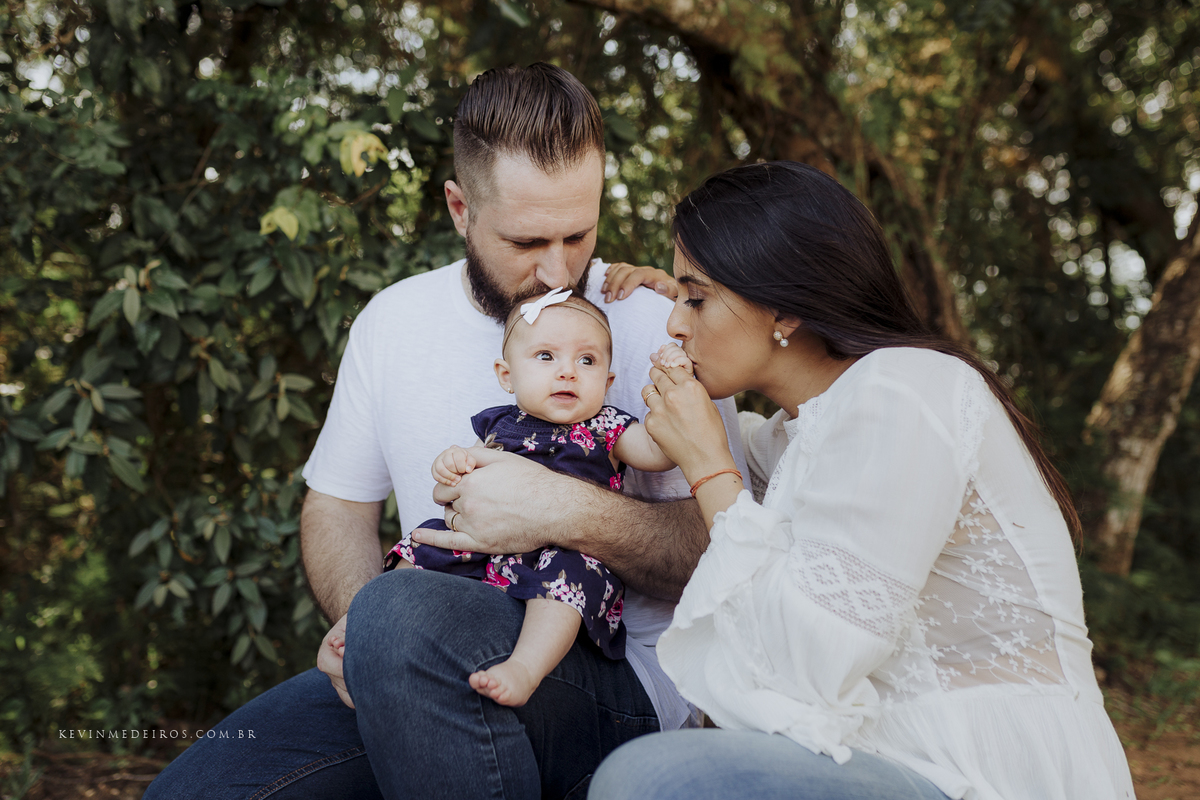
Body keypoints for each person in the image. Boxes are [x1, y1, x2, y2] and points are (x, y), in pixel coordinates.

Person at [143, 63, 747, 799]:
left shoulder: (658, 323)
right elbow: (337, 506)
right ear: (460, 208)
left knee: (404, 617)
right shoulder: (392, 322)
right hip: (415, 643)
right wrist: (363, 628)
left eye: (578, 234)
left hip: (612, 674)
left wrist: (561, 510)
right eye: (526, 241)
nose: (558, 271)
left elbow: (725, 552)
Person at [586, 161, 1136, 800]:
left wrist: (709, 467)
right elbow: (747, 457)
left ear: (784, 309)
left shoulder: (904, 390)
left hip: (979, 772)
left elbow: (799, 672)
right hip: (883, 760)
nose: (673, 325)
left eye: (697, 299)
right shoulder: (799, 434)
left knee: (653, 779)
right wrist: (654, 303)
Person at [371, 288, 677, 708]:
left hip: (565, 549)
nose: (568, 372)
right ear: (507, 375)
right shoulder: (499, 422)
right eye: (546, 356)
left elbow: (660, 453)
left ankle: (525, 667)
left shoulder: (609, 426)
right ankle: (365, 623)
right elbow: (466, 476)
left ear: (607, 382)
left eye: (587, 360)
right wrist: (452, 462)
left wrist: (673, 387)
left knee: (571, 578)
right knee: (424, 540)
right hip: (487, 547)